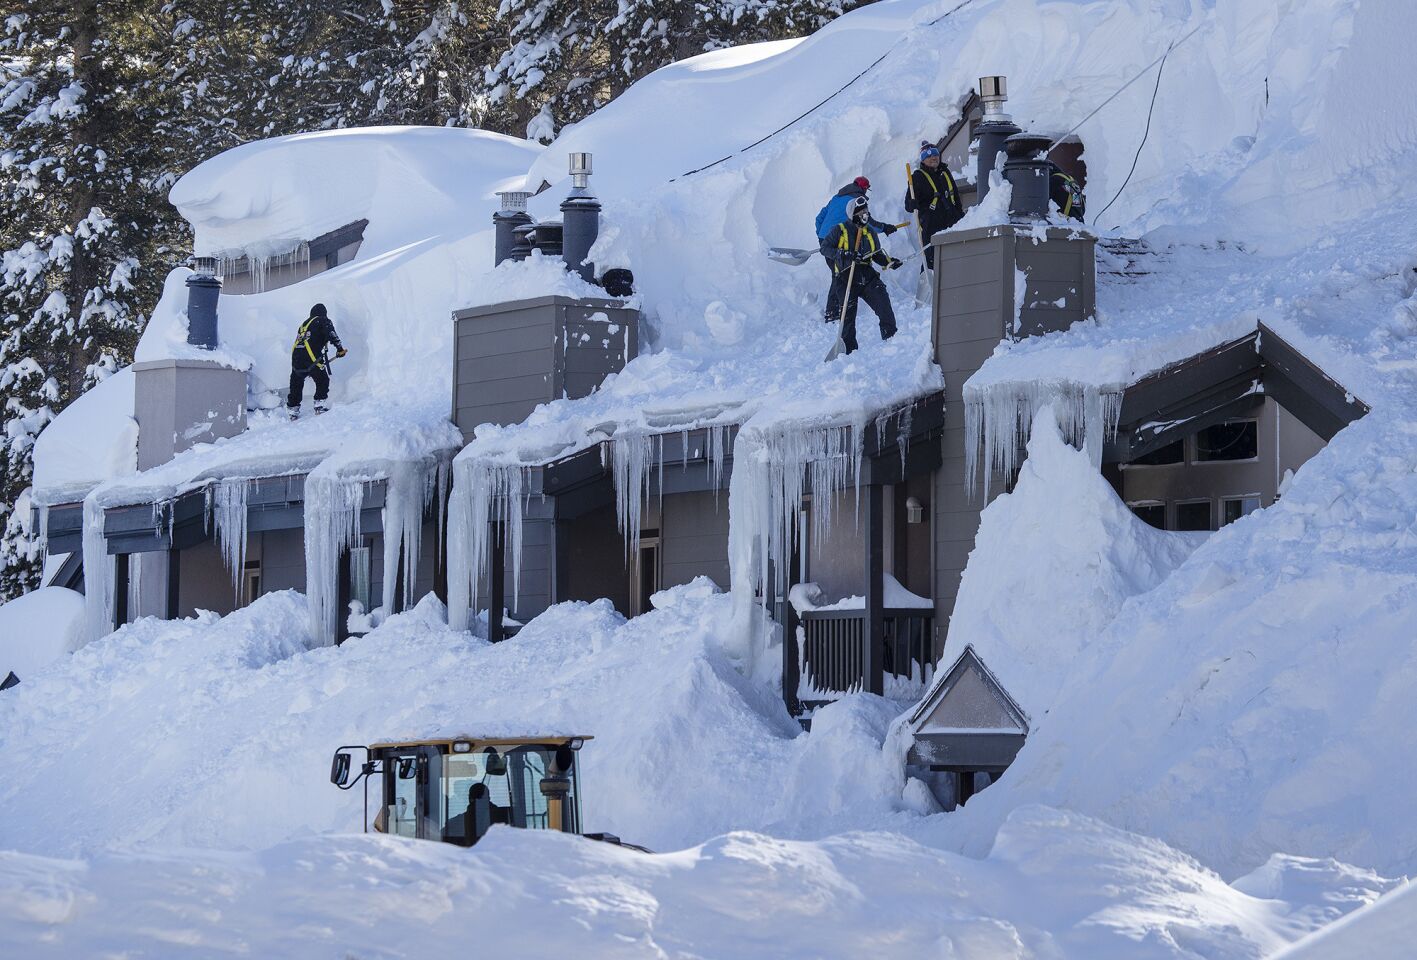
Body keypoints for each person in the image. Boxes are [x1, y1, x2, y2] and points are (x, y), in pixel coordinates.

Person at [820, 196, 902, 354]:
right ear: (853, 214)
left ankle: (891, 339)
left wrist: (889, 262)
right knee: (848, 318)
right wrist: (844, 254)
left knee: (884, 305)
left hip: (867, 275)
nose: (865, 214)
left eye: (866, 211)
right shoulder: (839, 230)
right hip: (846, 277)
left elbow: (877, 254)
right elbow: (825, 249)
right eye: (861, 211)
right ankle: (849, 351)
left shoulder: (870, 231)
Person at [816, 176, 898, 321]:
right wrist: (885, 228)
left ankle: (835, 311)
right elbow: (868, 223)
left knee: (838, 273)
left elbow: (819, 218)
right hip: (838, 240)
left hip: (826, 238)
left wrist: (822, 235)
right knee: (839, 273)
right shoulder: (857, 201)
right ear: (864, 188)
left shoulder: (836, 197)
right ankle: (832, 312)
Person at [904, 142, 964, 269]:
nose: (933, 158)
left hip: (953, 221)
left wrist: (962, 217)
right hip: (931, 225)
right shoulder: (918, 177)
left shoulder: (945, 172)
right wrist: (912, 203)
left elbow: (956, 196)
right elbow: (908, 205)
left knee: (956, 257)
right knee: (932, 261)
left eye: (936, 155)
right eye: (929, 156)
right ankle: (928, 284)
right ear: (923, 159)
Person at [286, 302, 346, 418]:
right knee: (322, 380)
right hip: (311, 358)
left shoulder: (303, 325)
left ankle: (293, 410)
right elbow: (331, 334)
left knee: (296, 383)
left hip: (296, 359)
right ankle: (319, 404)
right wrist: (340, 348)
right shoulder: (323, 320)